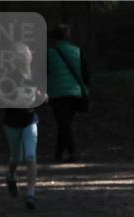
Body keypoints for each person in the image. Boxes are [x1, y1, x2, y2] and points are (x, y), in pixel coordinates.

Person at [0, 42, 48, 210]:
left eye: (25, 53)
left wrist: (43, 96)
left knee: (30, 157)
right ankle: (11, 174)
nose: (23, 57)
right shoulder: (9, 76)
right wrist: (13, 103)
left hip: (30, 120)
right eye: (19, 54)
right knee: (16, 158)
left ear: (31, 55)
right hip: (12, 123)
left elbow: (41, 93)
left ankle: (30, 194)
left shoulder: (36, 75)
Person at [46, 24, 89, 162]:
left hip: (57, 93)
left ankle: (72, 151)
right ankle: (58, 154)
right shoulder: (77, 51)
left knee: (63, 123)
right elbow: (85, 73)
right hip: (74, 92)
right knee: (65, 123)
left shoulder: (49, 53)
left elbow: (43, 73)